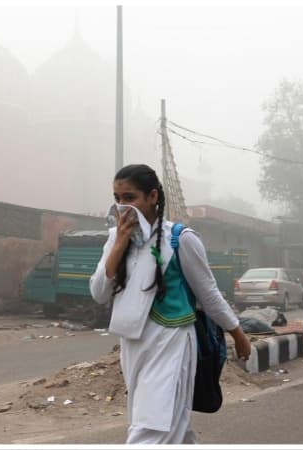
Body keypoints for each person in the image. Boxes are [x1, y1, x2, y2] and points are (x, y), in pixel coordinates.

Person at [89, 164, 252, 444]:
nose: (122, 207)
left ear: (152, 197)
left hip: (172, 342)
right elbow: (98, 293)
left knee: (152, 429)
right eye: (117, 199)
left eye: (130, 198)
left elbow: (209, 294)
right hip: (134, 344)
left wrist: (237, 333)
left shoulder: (181, 239)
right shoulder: (116, 239)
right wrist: (118, 246)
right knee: (169, 425)